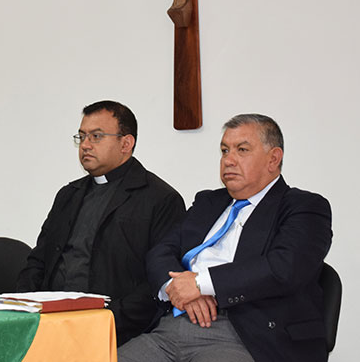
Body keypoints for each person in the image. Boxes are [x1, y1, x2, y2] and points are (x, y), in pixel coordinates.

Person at [119, 114, 333, 362]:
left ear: (273, 158)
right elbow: (161, 251)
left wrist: (201, 283)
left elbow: (283, 267)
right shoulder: (208, 202)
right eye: (224, 150)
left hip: (247, 337)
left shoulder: (304, 207)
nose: (228, 160)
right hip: (170, 329)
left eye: (242, 150)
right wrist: (178, 290)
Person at [17, 100, 185, 345]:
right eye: (82, 136)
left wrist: (106, 320)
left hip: (115, 330)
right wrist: (21, 306)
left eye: (96, 136)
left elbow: (157, 281)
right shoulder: (68, 195)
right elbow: (39, 259)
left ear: (126, 143)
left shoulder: (160, 199)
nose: (85, 145)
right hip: (49, 323)